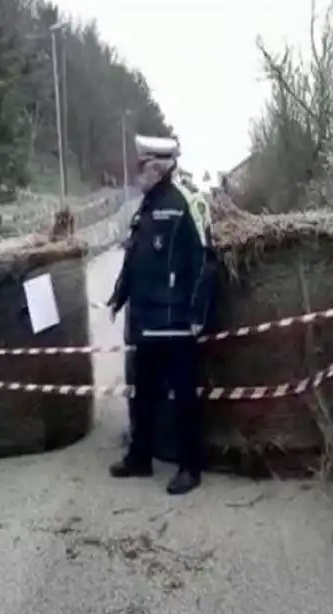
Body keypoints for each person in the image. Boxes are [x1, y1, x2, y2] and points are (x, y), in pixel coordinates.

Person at [106, 135, 216, 495]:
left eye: (142, 166)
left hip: (177, 323)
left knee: (183, 397)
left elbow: (205, 260)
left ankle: (190, 467)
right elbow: (133, 259)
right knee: (144, 395)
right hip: (146, 321)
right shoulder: (145, 208)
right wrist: (118, 298)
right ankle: (140, 457)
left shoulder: (188, 201)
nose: (138, 173)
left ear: (158, 166)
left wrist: (198, 313)